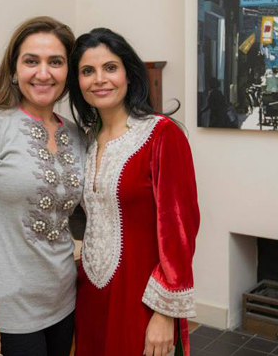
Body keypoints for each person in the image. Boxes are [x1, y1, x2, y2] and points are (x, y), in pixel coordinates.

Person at [0, 16, 86, 356]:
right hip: (7, 309)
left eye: (55, 62)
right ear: (14, 69)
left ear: (68, 72)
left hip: (64, 300)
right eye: (31, 61)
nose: (43, 73)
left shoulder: (76, 134)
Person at [68, 28, 200, 356]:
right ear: (77, 81)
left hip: (142, 298)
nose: (100, 79)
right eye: (88, 71)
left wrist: (164, 313)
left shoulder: (161, 135)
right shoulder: (84, 140)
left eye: (110, 67)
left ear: (128, 73)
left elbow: (181, 232)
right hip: (90, 295)